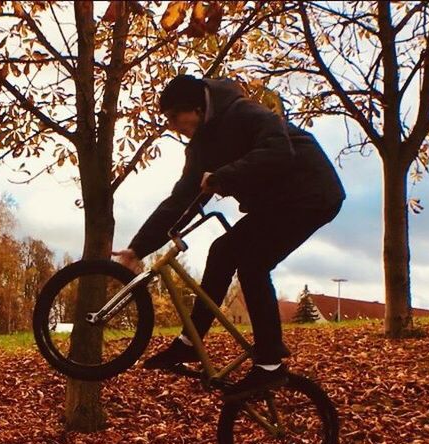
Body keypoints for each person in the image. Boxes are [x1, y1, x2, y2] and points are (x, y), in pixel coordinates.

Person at [112, 74, 345, 399]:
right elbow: (180, 201)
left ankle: (270, 365)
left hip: (312, 193)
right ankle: (191, 342)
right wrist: (137, 249)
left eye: (175, 119)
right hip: (279, 202)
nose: (175, 128)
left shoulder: (243, 112)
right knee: (222, 250)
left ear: (194, 107)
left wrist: (225, 175)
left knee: (252, 263)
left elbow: (280, 151)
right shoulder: (202, 147)